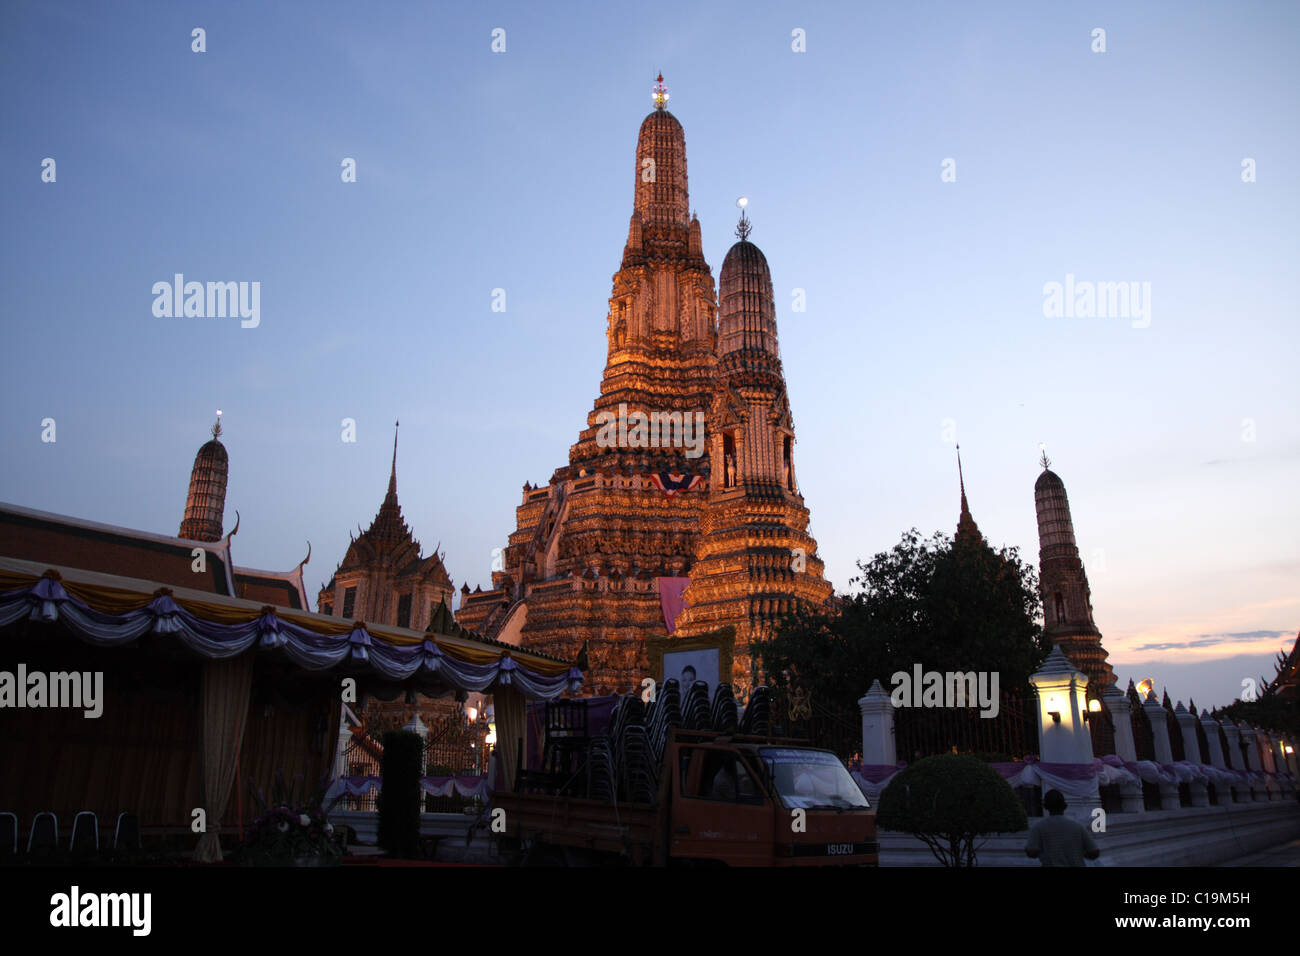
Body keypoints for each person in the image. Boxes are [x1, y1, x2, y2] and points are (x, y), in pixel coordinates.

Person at [1025, 789, 1100, 866]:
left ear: (1045, 806)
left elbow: (1031, 852)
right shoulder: (1077, 827)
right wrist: (1080, 853)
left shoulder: (1038, 827)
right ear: (1064, 806)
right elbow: (1094, 852)